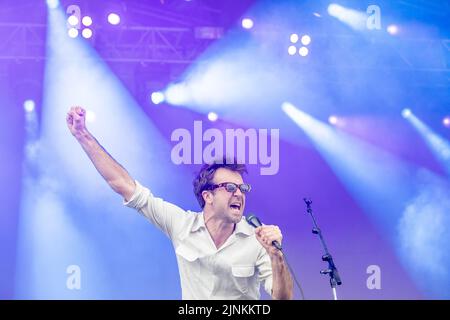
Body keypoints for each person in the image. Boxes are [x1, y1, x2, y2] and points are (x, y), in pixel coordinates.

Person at [66, 106, 294, 300]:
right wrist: (82, 135)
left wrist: (277, 257)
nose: (239, 194)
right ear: (208, 196)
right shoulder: (181, 224)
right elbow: (124, 185)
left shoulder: (258, 239)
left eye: (243, 188)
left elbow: (282, 298)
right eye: (230, 188)